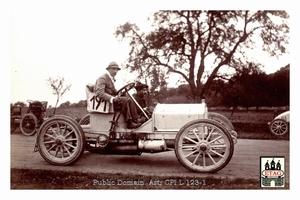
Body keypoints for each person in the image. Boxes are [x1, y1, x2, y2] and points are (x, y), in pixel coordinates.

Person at [94, 61, 143, 129]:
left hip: (110, 101)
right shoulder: (102, 78)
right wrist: (112, 98)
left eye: (117, 69)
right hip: (105, 103)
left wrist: (121, 92)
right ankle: (129, 123)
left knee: (128, 99)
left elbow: (114, 91)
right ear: (108, 69)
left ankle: (136, 119)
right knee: (124, 100)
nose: (115, 71)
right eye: (113, 69)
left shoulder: (111, 79)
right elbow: (100, 93)